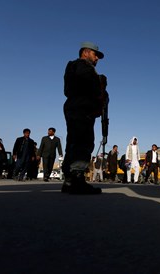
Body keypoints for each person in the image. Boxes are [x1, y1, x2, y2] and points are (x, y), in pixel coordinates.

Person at [62, 41, 106, 194]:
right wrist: (100, 85)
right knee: (83, 141)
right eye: (95, 55)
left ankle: (69, 180)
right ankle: (77, 179)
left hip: (76, 105)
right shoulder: (83, 66)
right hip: (82, 107)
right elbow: (88, 87)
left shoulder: (75, 66)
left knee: (73, 141)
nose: (97, 59)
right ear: (86, 53)